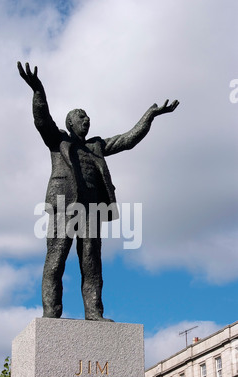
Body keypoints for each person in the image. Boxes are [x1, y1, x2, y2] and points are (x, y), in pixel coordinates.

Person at [18, 62, 179, 321]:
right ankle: (51, 314)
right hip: (65, 205)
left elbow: (128, 140)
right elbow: (41, 119)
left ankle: (94, 312)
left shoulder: (97, 146)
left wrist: (150, 114)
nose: (86, 120)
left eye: (88, 117)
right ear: (70, 123)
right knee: (56, 260)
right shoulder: (58, 139)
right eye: (81, 117)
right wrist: (38, 91)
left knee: (92, 265)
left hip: (92, 210)